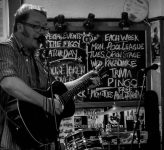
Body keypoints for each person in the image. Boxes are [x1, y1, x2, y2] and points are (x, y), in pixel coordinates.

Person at [0, 3, 101, 150]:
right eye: (36, 26)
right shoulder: (5, 50)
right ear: (20, 27)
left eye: (44, 28)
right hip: (10, 142)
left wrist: (84, 81)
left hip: (37, 140)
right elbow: (9, 82)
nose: (42, 32)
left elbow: (56, 90)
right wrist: (46, 103)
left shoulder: (36, 60)